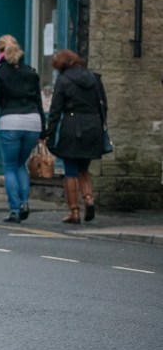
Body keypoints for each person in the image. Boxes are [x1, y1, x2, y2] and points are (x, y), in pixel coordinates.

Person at [0, 35, 45, 223]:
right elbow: (38, 103)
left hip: (10, 122)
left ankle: (15, 210)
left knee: (9, 167)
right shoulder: (31, 72)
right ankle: (25, 203)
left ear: (1, 52)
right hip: (33, 122)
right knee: (21, 165)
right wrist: (44, 132)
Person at [44, 49, 107, 224]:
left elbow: (55, 110)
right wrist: (100, 126)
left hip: (72, 127)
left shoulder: (63, 81)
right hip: (93, 127)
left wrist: (49, 136)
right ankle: (89, 199)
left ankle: (74, 211)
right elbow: (104, 106)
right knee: (84, 169)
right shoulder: (94, 78)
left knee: (70, 170)